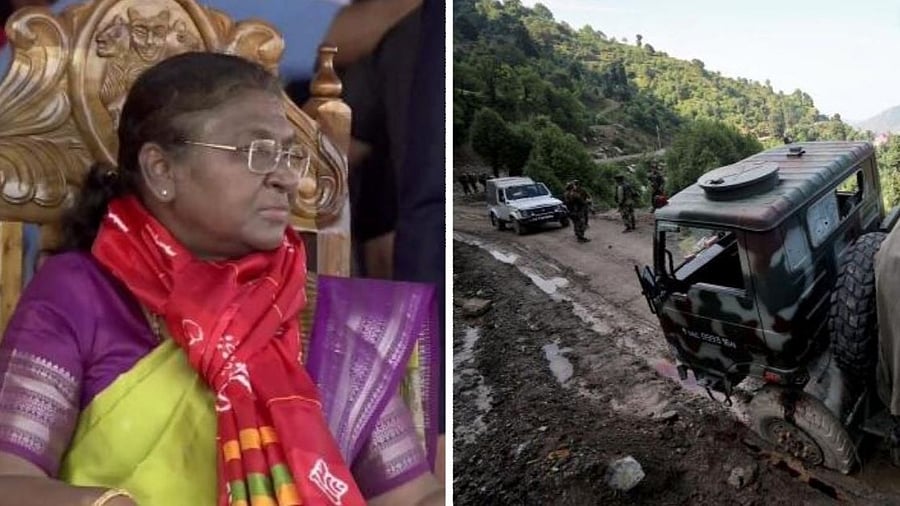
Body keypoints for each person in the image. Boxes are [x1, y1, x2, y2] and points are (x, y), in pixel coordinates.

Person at [0, 53, 442, 506]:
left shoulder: (321, 315)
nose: (288, 178)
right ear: (161, 169)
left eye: (289, 153)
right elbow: (10, 481)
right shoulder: (79, 295)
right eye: (257, 152)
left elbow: (413, 495)